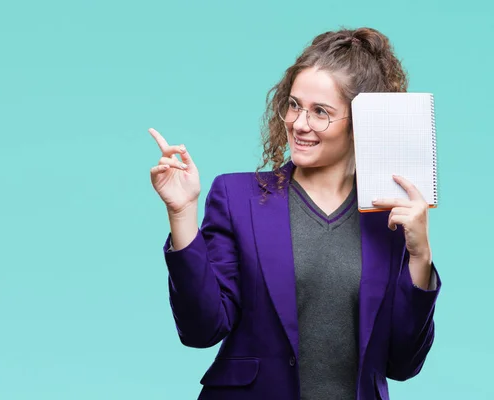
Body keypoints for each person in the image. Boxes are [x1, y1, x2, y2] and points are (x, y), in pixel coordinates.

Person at [148, 27, 441, 400]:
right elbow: (201, 329)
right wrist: (182, 212)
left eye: (321, 112)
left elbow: (403, 363)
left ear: (359, 123)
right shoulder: (237, 198)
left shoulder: (390, 216)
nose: (299, 124)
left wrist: (420, 256)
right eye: (294, 105)